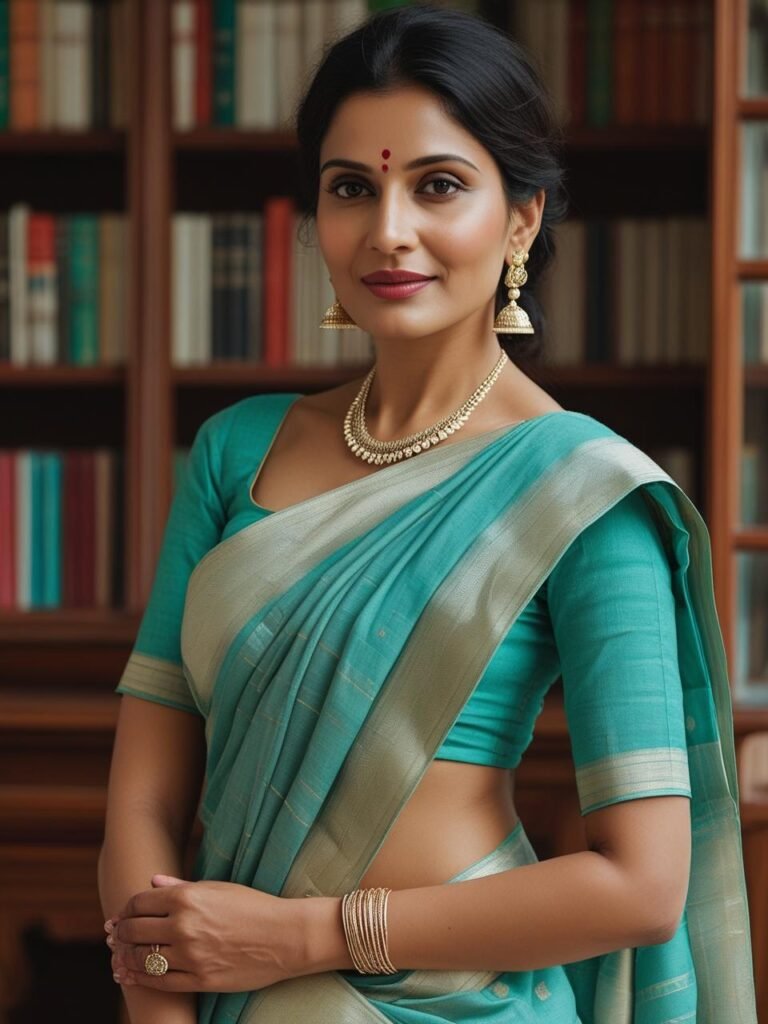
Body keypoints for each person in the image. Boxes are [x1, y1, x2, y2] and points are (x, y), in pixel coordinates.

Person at [97, 5, 758, 1023]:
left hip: (460, 1000)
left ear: (522, 219)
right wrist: (161, 1007)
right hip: (216, 991)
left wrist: (305, 937)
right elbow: (142, 799)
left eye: (439, 185)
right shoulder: (237, 451)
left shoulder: (581, 490)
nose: (388, 229)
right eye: (351, 188)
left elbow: (641, 884)